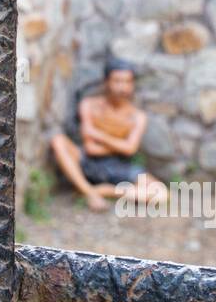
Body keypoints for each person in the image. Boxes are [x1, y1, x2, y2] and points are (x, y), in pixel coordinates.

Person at [49, 58, 167, 211]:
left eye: (127, 82)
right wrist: (119, 145)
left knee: (161, 193)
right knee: (58, 141)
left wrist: (98, 135)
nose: (122, 87)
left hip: (121, 167)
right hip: (88, 161)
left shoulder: (137, 116)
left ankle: (101, 191)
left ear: (132, 85)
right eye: (117, 81)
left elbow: (130, 149)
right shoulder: (89, 105)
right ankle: (89, 191)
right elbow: (91, 148)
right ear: (106, 82)